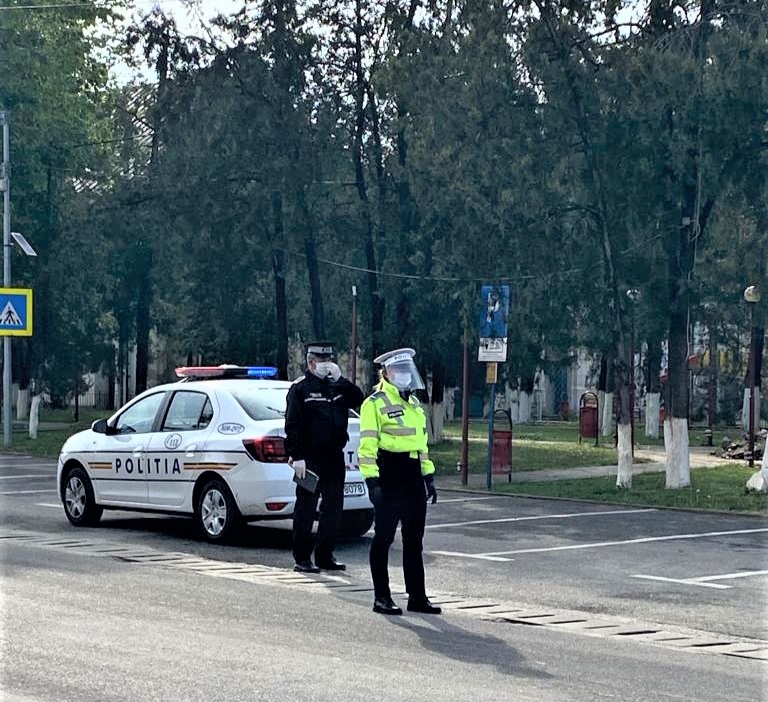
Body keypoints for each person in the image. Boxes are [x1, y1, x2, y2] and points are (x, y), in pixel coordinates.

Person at [358, 347, 441, 615]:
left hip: (413, 476)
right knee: (383, 538)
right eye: (399, 370)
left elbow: (421, 446)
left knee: (414, 541)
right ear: (386, 373)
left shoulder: (414, 405)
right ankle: (381, 597)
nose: (404, 375)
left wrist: (428, 476)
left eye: (407, 370)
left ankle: (417, 597)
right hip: (389, 475)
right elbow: (367, 447)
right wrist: (372, 483)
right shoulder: (374, 404)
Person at [285, 341, 364, 573]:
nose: (326, 364)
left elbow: (359, 400)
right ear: (311, 362)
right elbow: (293, 425)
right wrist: (296, 455)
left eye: (329, 360)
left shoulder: (336, 387)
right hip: (309, 459)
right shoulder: (300, 389)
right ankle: (302, 558)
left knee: (333, 508)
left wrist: (341, 380)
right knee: (306, 508)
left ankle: (325, 555)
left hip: (334, 457)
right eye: (321, 361)